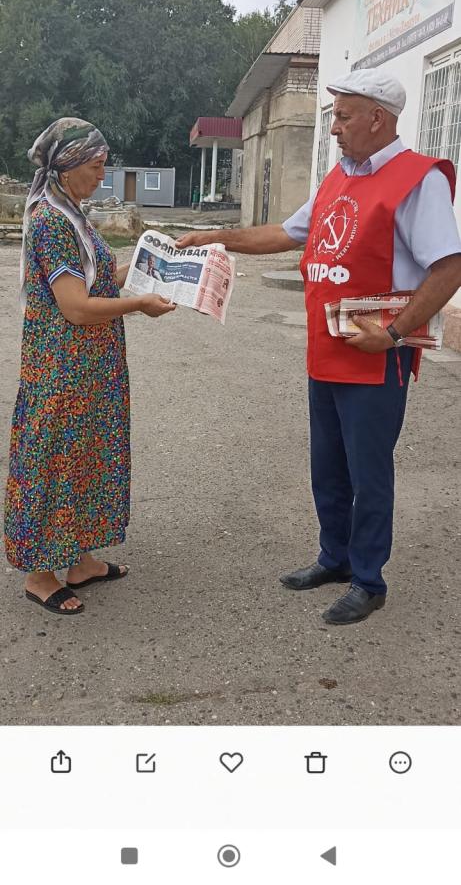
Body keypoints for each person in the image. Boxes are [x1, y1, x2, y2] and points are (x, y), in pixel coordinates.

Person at [177, 70, 461, 624]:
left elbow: (449, 267)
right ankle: (334, 558)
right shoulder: (340, 176)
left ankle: (369, 579)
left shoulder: (415, 180)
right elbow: (287, 233)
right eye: (335, 115)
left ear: (378, 118)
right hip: (327, 350)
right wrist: (219, 237)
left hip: (378, 354)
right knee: (328, 467)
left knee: (369, 471)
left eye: (343, 116)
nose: (333, 127)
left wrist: (396, 333)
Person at [4, 118, 176, 615]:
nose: (103, 175)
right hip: (61, 367)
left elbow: (98, 280)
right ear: (70, 164)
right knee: (54, 458)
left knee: (88, 455)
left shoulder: (74, 214)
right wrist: (139, 306)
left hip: (92, 364)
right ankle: (39, 573)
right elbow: (76, 306)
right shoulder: (51, 221)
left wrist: (151, 261)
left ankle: (79, 561)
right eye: (97, 166)